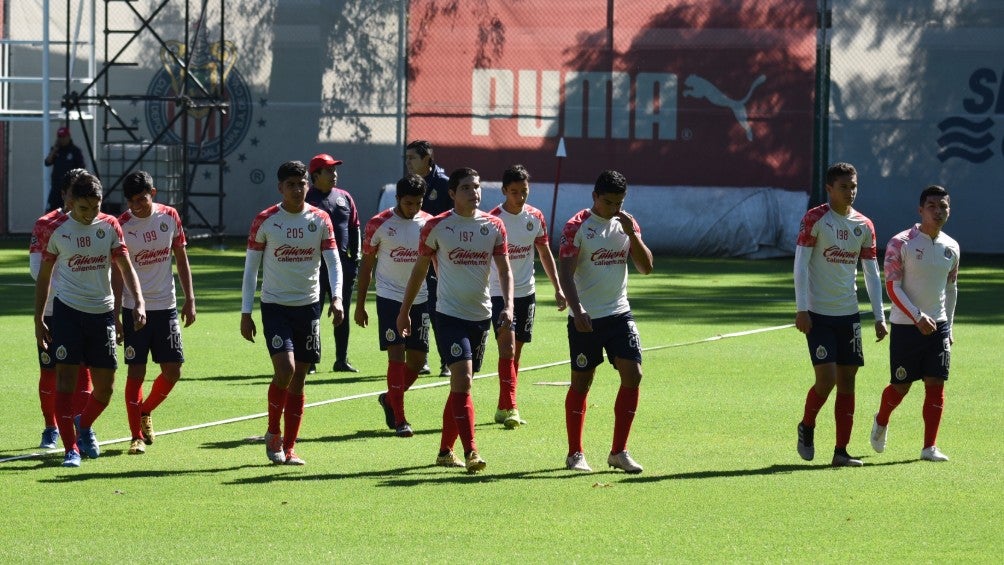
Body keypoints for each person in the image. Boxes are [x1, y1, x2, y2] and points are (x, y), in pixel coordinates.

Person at [396, 167, 512, 473]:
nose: (473, 192)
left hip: (481, 316)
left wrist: (508, 306)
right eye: (465, 187)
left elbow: (504, 270)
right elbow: (420, 270)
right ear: (452, 194)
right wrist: (404, 310)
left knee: (462, 388)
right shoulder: (437, 227)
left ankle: (445, 452)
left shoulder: (494, 225)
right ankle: (471, 451)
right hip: (447, 314)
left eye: (476, 186)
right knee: (462, 378)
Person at [33, 173, 147, 468]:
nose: (89, 214)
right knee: (66, 383)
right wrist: (38, 320)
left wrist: (138, 302)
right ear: (72, 204)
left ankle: (83, 425)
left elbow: (125, 266)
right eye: (83, 208)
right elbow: (44, 278)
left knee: (105, 387)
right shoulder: (58, 230)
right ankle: (70, 449)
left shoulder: (109, 226)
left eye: (94, 207)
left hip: (102, 315)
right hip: (68, 313)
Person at [240, 160, 344, 466]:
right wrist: (246, 312)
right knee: (284, 370)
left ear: (307, 186)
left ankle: (290, 446)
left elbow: (333, 262)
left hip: (309, 307)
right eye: (291, 185)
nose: (298, 190)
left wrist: (336, 299)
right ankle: (273, 432)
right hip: (275, 307)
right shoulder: (266, 220)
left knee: (299, 378)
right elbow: (250, 271)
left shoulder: (321, 219)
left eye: (302, 184)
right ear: (280, 188)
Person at [558, 170, 654, 474]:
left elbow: (646, 267)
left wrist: (632, 235)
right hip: (585, 318)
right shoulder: (577, 227)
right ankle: (575, 453)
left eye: (620, 202)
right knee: (582, 383)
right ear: (594, 197)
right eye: (609, 202)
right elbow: (565, 274)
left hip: (619, 313)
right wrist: (578, 309)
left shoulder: (626, 224)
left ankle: (619, 451)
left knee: (633, 374)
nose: (615, 208)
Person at [793, 162, 887, 467]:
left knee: (848, 380)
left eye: (854, 186)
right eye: (844, 187)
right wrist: (802, 309)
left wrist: (879, 316)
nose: (851, 192)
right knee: (827, 380)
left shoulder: (864, 225)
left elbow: (871, 272)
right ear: (829, 188)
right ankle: (807, 425)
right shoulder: (816, 219)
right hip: (818, 315)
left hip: (849, 316)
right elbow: (800, 265)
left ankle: (841, 451)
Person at [869, 185, 959, 462]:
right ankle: (881, 420)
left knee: (936, 383)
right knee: (901, 386)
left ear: (949, 210)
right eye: (931, 206)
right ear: (920, 210)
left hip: (939, 326)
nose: (938, 211)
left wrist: (950, 326)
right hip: (906, 326)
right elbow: (892, 287)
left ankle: (929, 447)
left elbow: (951, 288)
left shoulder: (952, 247)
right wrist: (917, 316)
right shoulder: (901, 242)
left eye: (942, 206)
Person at [114, 171, 196, 455]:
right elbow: (116, 273)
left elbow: (181, 258)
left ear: (154, 192)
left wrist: (190, 299)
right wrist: (115, 315)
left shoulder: (169, 217)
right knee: (136, 371)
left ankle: (144, 411)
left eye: (142, 199)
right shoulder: (122, 225)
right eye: (132, 201)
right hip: (134, 309)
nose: (137, 206)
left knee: (173, 371)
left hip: (167, 306)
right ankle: (135, 436)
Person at [488, 164, 566, 429]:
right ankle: (511, 407)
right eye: (514, 192)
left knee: (515, 353)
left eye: (524, 191)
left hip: (526, 293)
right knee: (507, 349)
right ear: (503, 191)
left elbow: (544, 254)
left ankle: (502, 404)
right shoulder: (492, 221)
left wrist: (557, 288)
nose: (520, 197)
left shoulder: (535, 217)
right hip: (499, 294)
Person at [354, 174, 433, 437]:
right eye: (409, 203)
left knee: (418, 361)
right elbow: (366, 266)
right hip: (389, 298)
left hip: (420, 299)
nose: (413, 209)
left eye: (418, 203)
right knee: (396, 355)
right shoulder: (379, 224)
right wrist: (360, 304)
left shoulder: (429, 223)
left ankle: (389, 399)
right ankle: (400, 420)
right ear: (398, 199)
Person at [28, 168, 93, 449]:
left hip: (87, 310)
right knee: (50, 372)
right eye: (76, 193)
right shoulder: (46, 225)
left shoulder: (98, 223)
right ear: (65, 195)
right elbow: (35, 270)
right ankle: (50, 427)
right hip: (55, 311)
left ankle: (83, 427)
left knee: (84, 370)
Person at [306, 154, 360, 373]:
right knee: (313, 312)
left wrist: (355, 260)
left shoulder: (344, 197)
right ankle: (310, 360)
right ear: (315, 175)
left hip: (343, 267)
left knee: (342, 311)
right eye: (329, 171)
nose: (334, 174)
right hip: (314, 267)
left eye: (335, 170)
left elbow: (355, 227)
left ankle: (341, 359)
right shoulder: (306, 199)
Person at [405, 140, 452, 377]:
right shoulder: (409, 186)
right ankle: (418, 358)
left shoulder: (444, 185)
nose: (408, 163)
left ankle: (447, 360)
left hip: (440, 260)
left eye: (413, 157)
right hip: (413, 257)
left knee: (437, 308)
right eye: (407, 158)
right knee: (414, 306)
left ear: (427, 159)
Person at [43, 126, 86, 212]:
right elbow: (47, 162)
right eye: (60, 137)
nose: (62, 139)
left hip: (69, 189)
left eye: (64, 137)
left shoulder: (75, 151)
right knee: (50, 212)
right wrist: (54, 150)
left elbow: (82, 168)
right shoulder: (56, 150)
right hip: (56, 188)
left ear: (68, 136)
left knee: (67, 212)